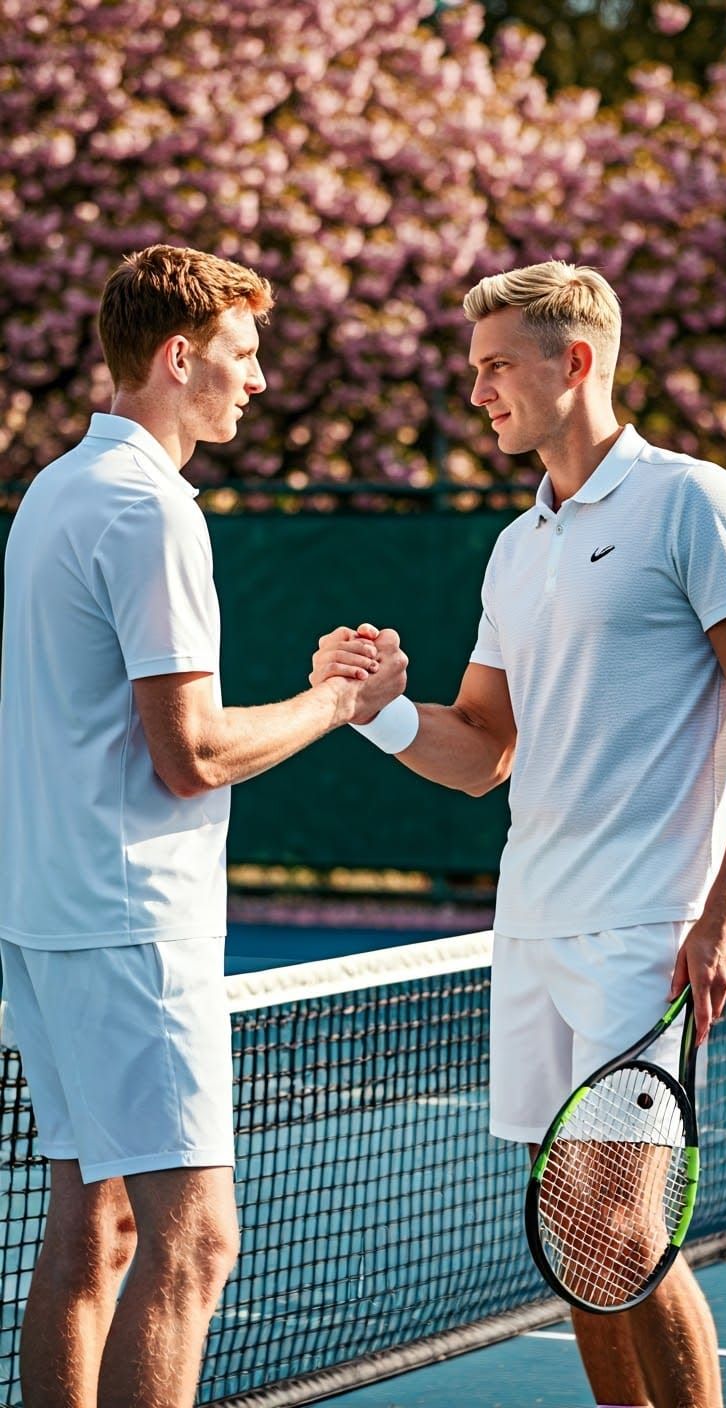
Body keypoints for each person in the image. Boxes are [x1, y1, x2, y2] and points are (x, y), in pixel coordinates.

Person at [311, 260, 726, 1408]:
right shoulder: (518, 545)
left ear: (576, 362)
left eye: (496, 367)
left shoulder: (694, 502)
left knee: (620, 1228)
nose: (477, 393)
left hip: (646, 930)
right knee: (577, 1240)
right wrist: (376, 712)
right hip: (532, 930)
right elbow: (483, 749)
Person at [0, 243, 406, 1408]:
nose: (259, 378)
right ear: (179, 358)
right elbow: (193, 756)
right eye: (242, 353)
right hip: (131, 923)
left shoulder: (58, 489)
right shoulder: (149, 509)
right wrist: (337, 701)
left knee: (96, 1226)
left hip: (51, 914)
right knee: (195, 1240)